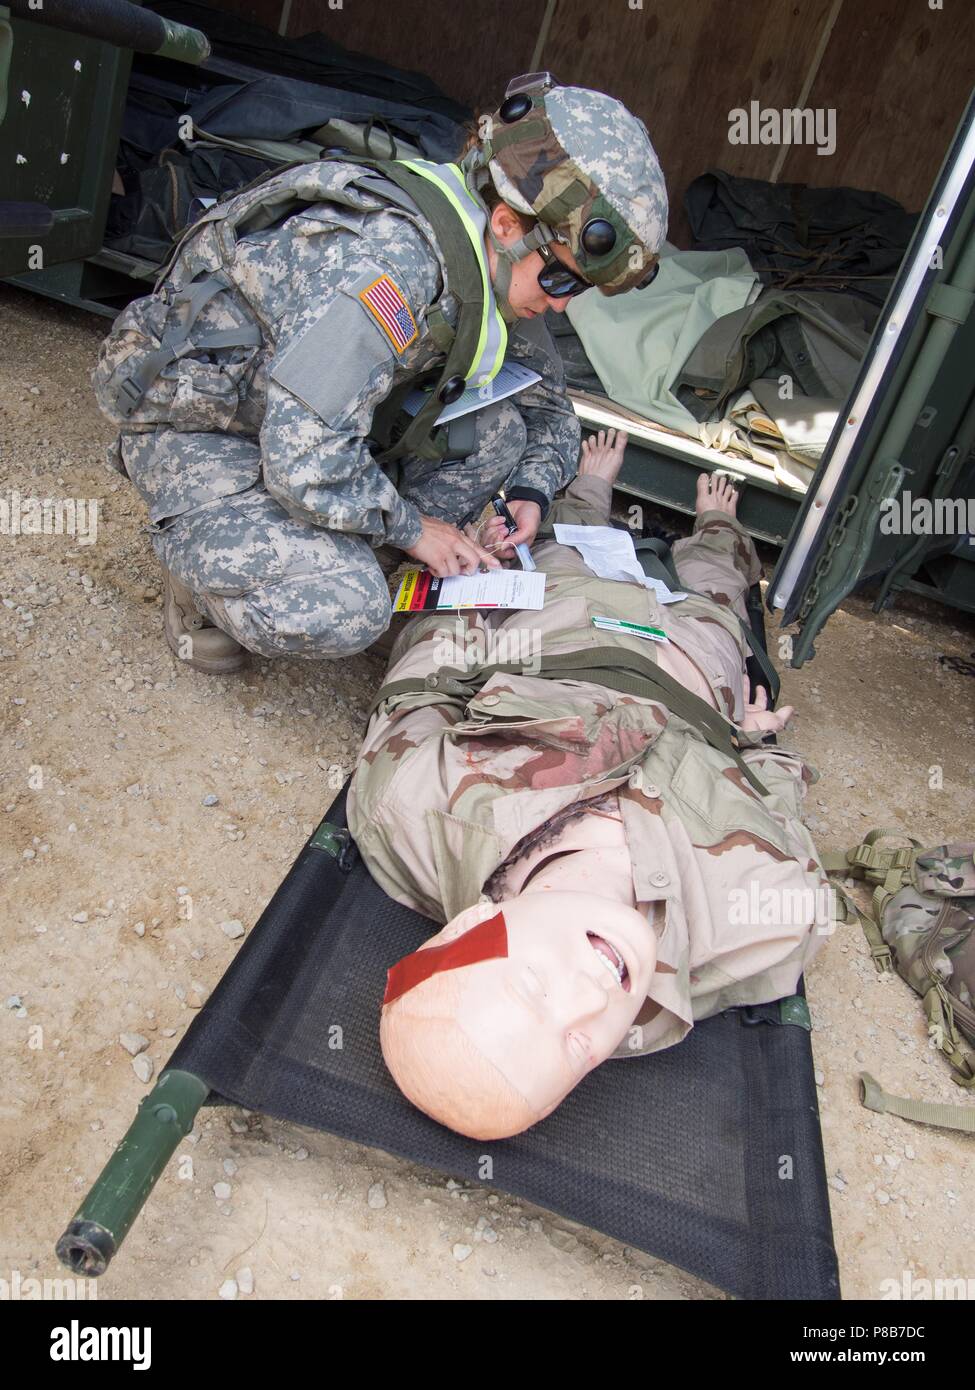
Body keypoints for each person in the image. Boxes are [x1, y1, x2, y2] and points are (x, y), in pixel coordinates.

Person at [346, 429, 831, 1140]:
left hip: (566, 632)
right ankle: (717, 523)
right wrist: (762, 752)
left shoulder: (410, 807)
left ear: (475, 927)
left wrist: (474, 611)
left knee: (567, 542)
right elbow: (782, 821)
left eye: (534, 989)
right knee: (722, 596)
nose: (589, 999)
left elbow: (417, 688)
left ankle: (590, 488)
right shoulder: (763, 923)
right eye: (575, 1049)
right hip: (701, 670)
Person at [92, 75, 668, 673]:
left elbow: (550, 413)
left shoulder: (501, 270)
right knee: (347, 608)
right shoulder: (389, 266)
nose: (561, 304)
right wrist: (417, 529)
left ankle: (342, 552)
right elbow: (303, 461)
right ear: (506, 223)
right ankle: (208, 577)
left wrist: (530, 492)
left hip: (304, 425)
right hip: (208, 433)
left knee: (502, 434)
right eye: (563, 280)